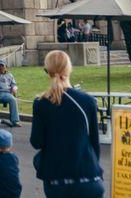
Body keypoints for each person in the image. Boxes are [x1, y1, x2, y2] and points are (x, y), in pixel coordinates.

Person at [30, 50, 103, 198]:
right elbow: (94, 142)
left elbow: (37, 142)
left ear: (48, 72)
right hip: (88, 176)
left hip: (58, 178)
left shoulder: (41, 103)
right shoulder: (88, 101)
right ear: (69, 69)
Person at [0, 60, 20, 127]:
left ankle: (15, 121)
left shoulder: (10, 75)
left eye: (2, 66)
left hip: (7, 93)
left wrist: (14, 88)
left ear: (6, 67)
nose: (1, 67)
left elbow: (14, 84)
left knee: (13, 100)